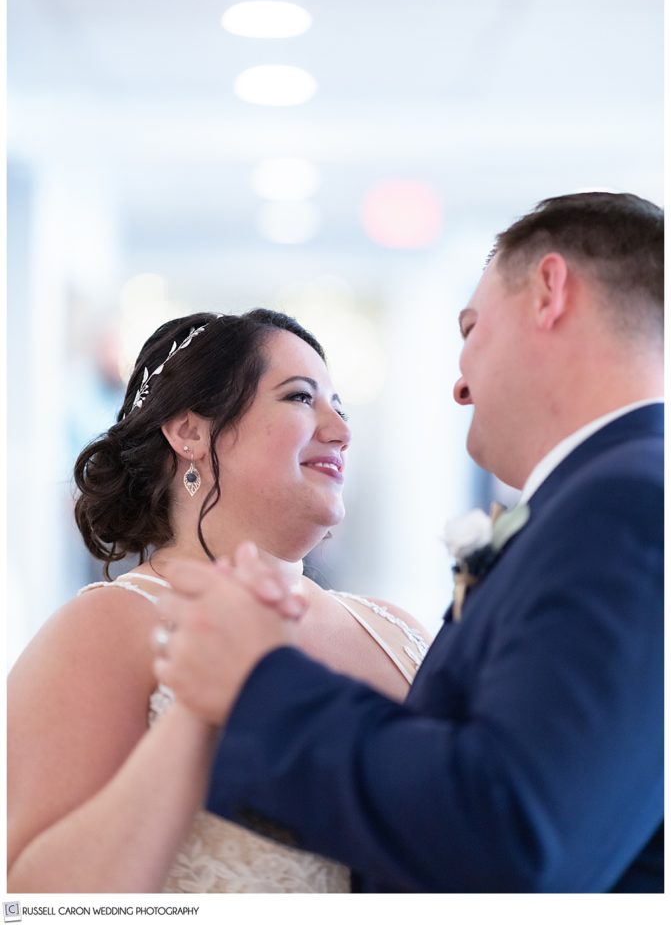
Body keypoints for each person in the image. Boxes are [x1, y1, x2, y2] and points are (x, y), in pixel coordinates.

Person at [153, 191, 664, 893]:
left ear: (549, 292)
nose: (459, 384)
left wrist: (259, 683)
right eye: (302, 397)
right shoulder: (612, 498)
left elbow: (514, 836)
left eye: (471, 328)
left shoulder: (626, 506)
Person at [7, 308, 432, 893]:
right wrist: (203, 712)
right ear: (189, 433)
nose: (341, 429)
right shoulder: (106, 628)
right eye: (301, 398)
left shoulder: (399, 633)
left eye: (341, 406)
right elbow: (46, 903)